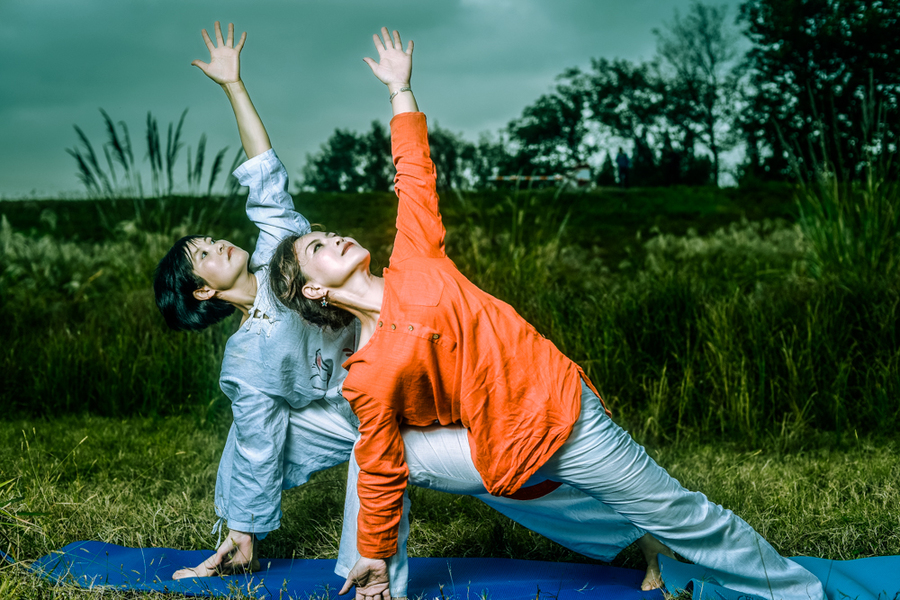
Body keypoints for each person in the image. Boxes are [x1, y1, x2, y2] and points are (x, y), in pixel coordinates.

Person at [268, 28, 827, 600]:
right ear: (314, 291)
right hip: (499, 449)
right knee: (378, 450)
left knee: (684, 516)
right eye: (316, 247)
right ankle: (376, 587)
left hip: (565, 418)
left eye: (325, 234)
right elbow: (383, 468)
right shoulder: (366, 372)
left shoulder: (414, 258)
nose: (331, 237)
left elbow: (414, 173)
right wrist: (376, 558)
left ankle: (801, 594)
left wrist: (399, 90)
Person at [153, 22, 670, 596]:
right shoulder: (245, 357)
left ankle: (644, 535)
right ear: (202, 291)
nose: (215, 244)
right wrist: (245, 522)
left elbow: (264, 173)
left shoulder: (282, 249)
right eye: (201, 254)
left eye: (207, 238)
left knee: (512, 472)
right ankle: (268, 548)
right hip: (345, 405)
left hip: (406, 374)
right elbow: (257, 439)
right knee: (259, 435)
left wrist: (234, 85)